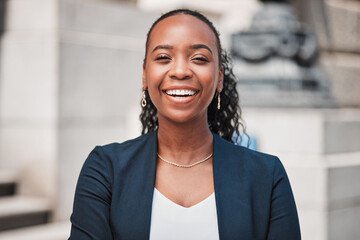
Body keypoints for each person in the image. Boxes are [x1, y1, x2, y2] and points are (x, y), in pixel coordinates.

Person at [69, 9, 301, 240]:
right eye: (163, 58)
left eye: (199, 59)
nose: (180, 71)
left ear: (219, 77)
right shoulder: (105, 170)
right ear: (144, 75)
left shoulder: (266, 176)